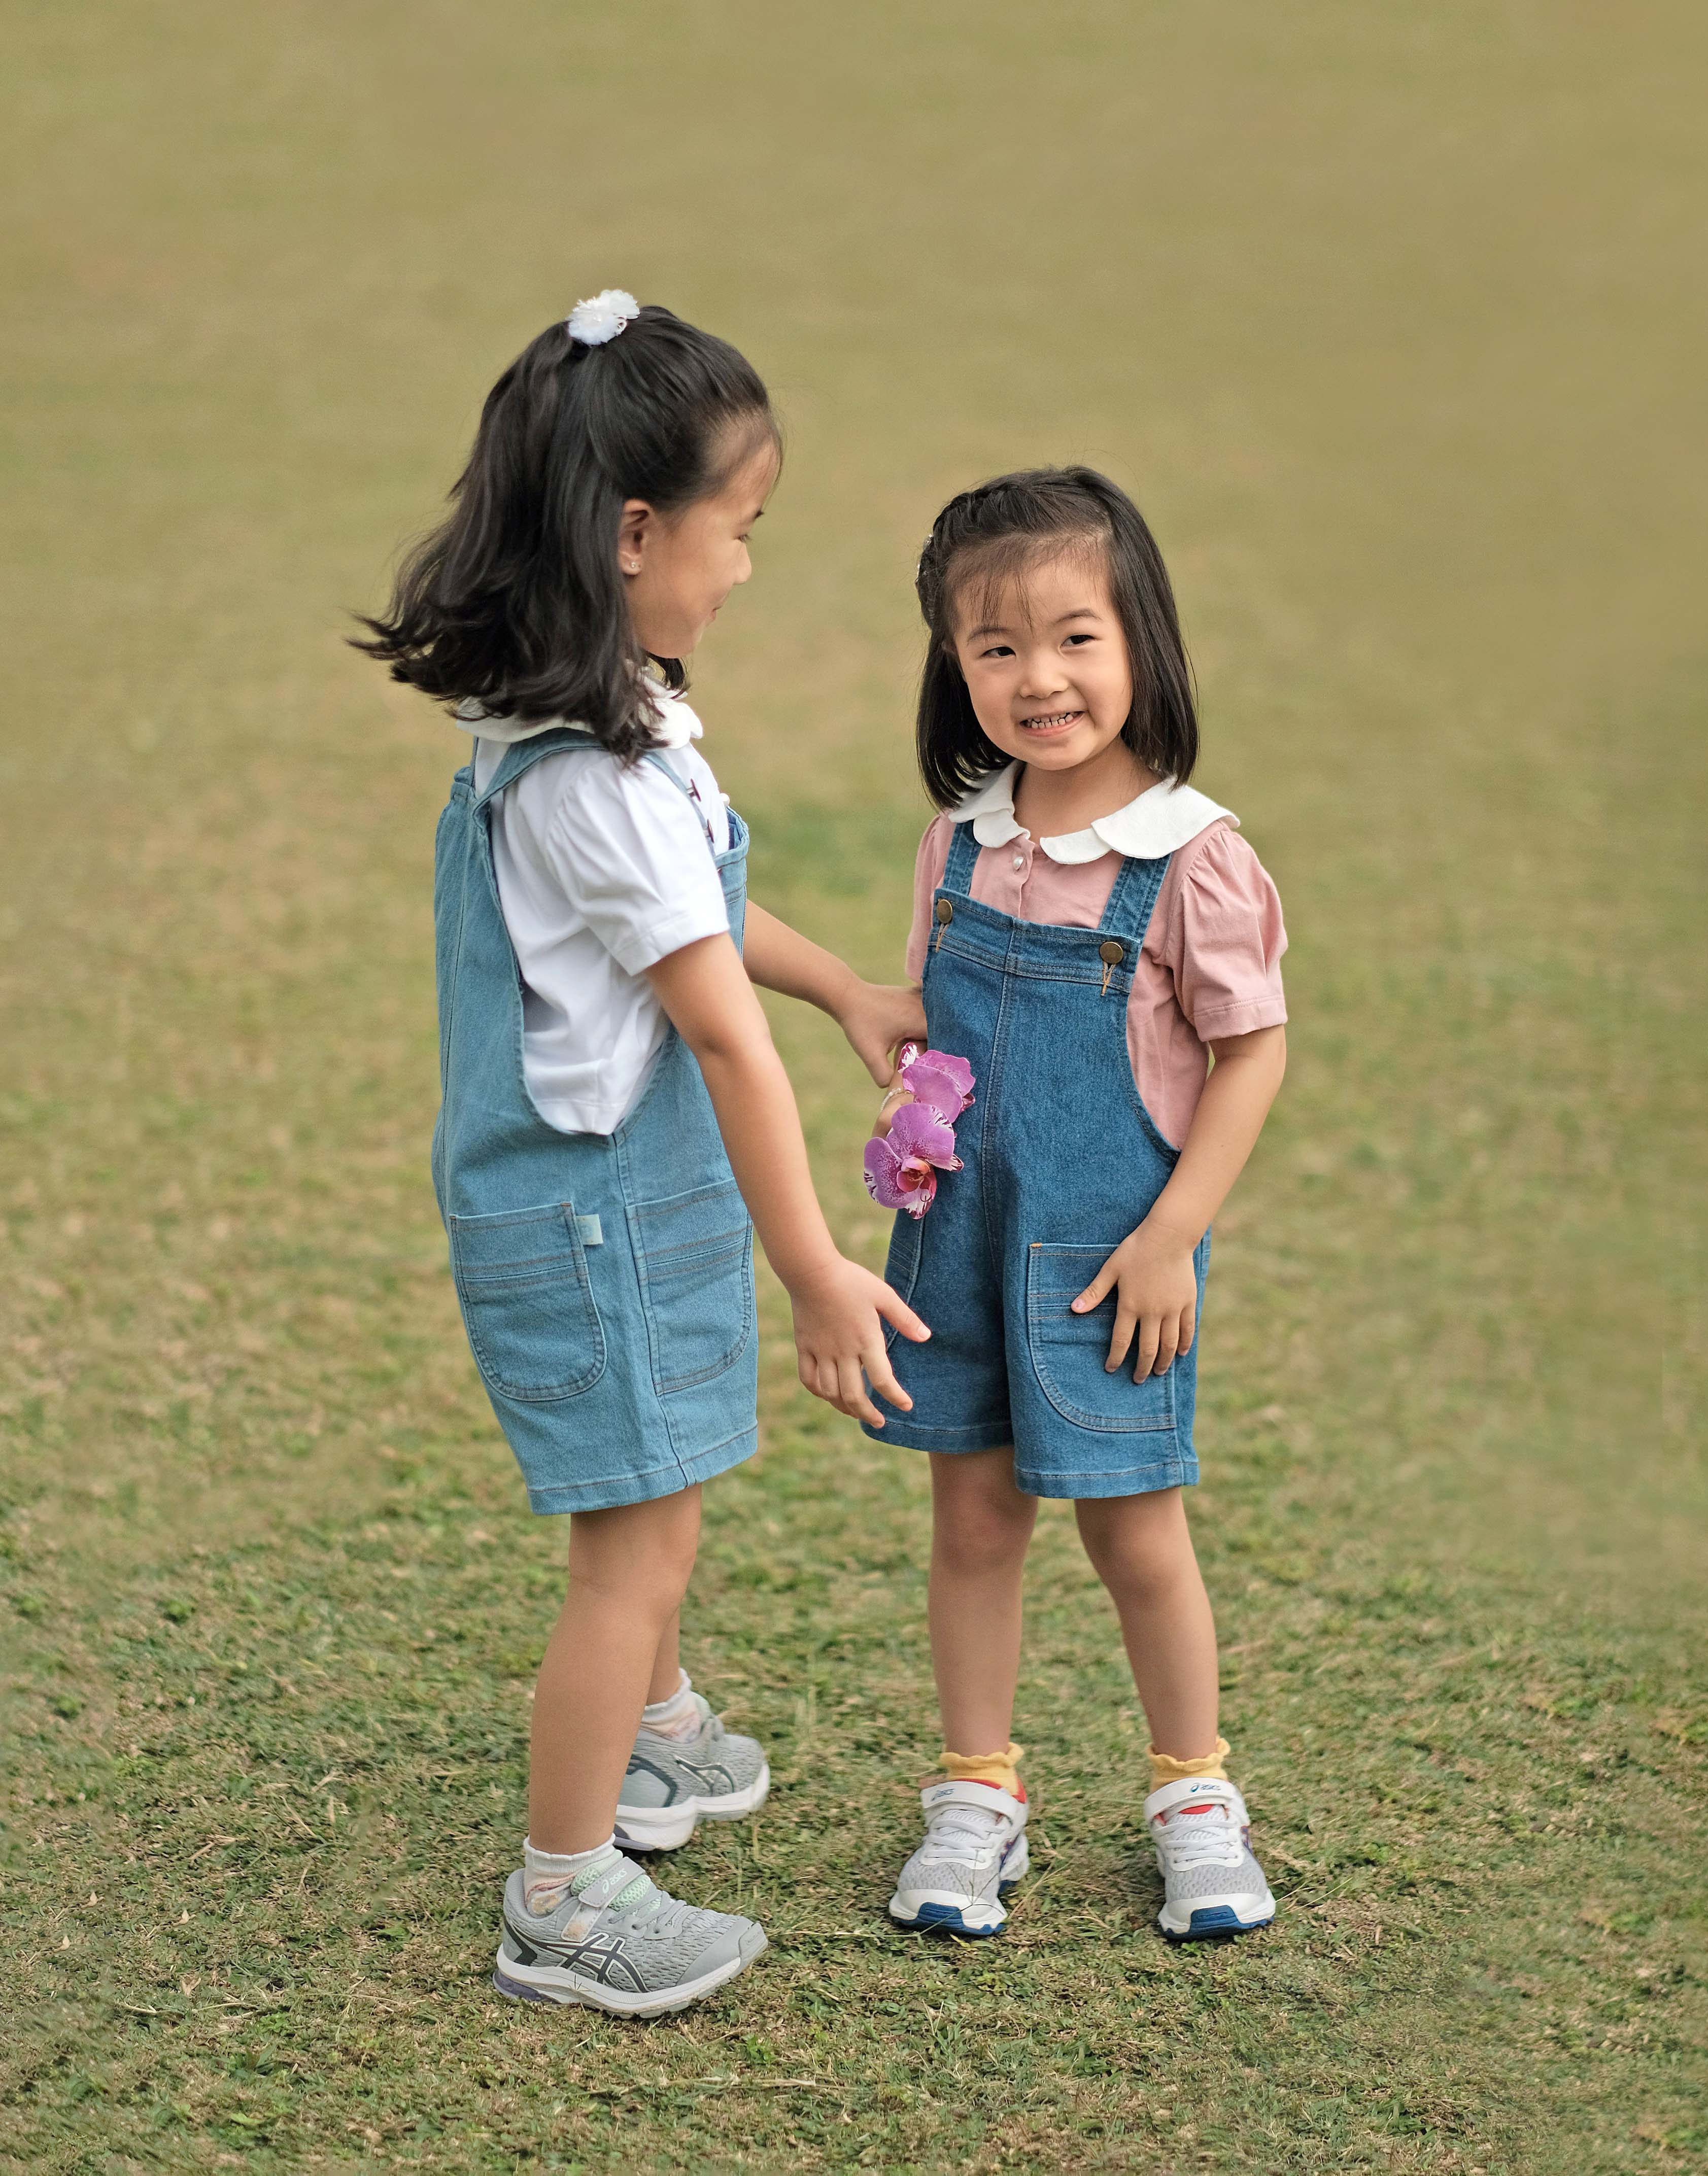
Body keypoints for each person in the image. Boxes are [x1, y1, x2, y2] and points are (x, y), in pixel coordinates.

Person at [356, 289, 928, 2014]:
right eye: (738, 529)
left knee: (651, 1489)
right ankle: (564, 1895)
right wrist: (819, 1262)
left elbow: (710, 928)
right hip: (594, 1208)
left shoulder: (611, 722)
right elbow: (711, 1030)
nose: (747, 565)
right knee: (639, 1541)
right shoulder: (589, 775)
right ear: (629, 533)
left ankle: (660, 1739)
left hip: (622, 1188)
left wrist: (840, 983)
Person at [868, 467, 1288, 1942]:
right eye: (993, 646)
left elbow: (1252, 1052)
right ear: (954, 667)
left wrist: (1175, 1229)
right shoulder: (961, 842)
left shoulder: (1192, 857)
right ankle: (978, 1789)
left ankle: (1194, 1793)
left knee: (1134, 1531)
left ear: (1141, 642)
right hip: (961, 1243)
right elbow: (949, 1020)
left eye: (1073, 637)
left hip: (1118, 1258)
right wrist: (907, 1069)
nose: (1036, 678)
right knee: (974, 1520)